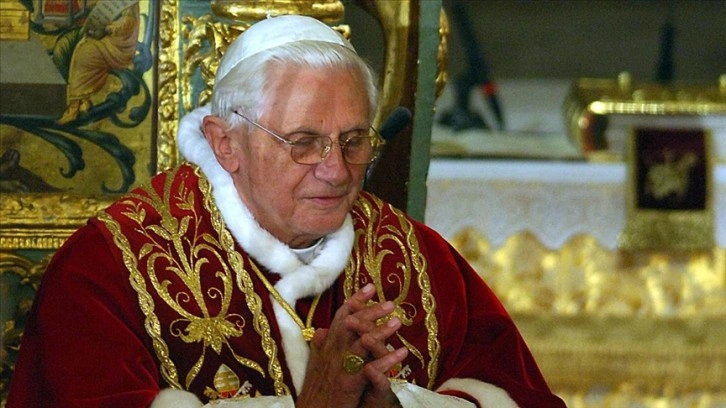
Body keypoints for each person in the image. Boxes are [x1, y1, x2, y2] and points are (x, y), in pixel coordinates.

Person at [7, 14, 565, 408]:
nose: (337, 171)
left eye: (354, 141)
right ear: (226, 144)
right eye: (303, 142)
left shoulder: (416, 257)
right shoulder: (110, 267)